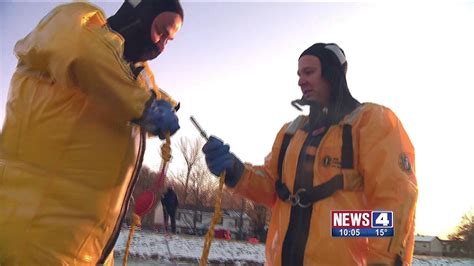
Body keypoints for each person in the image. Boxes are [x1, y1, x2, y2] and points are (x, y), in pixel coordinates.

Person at [0, 0, 183, 264]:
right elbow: (85, 56)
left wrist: (163, 106)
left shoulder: (127, 82)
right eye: (160, 30)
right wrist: (145, 106)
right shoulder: (74, 28)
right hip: (32, 240)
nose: (161, 45)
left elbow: (123, 88)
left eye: (169, 40)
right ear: (140, 13)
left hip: (86, 251)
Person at [202, 43, 418, 265]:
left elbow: (395, 200)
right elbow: (272, 188)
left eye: (309, 72)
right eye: (299, 74)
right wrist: (236, 171)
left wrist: (343, 229)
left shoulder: (372, 122)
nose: (300, 80)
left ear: (334, 73)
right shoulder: (291, 132)